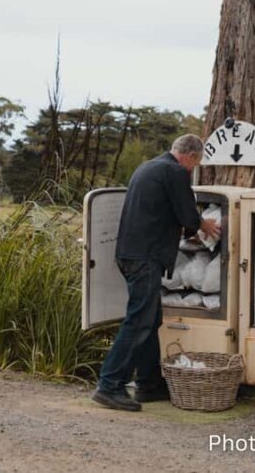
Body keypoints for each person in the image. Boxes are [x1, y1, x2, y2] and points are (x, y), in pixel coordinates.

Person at [91, 134, 221, 411]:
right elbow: (187, 216)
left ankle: (149, 384)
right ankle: (110, 384)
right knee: (139, 320)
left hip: (128, 254)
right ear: (192, 157)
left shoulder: (148, 167)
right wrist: (204, 224)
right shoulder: (175, 171)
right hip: (146, 257)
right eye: (195, 163)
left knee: (151, 318)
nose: (192, 168)